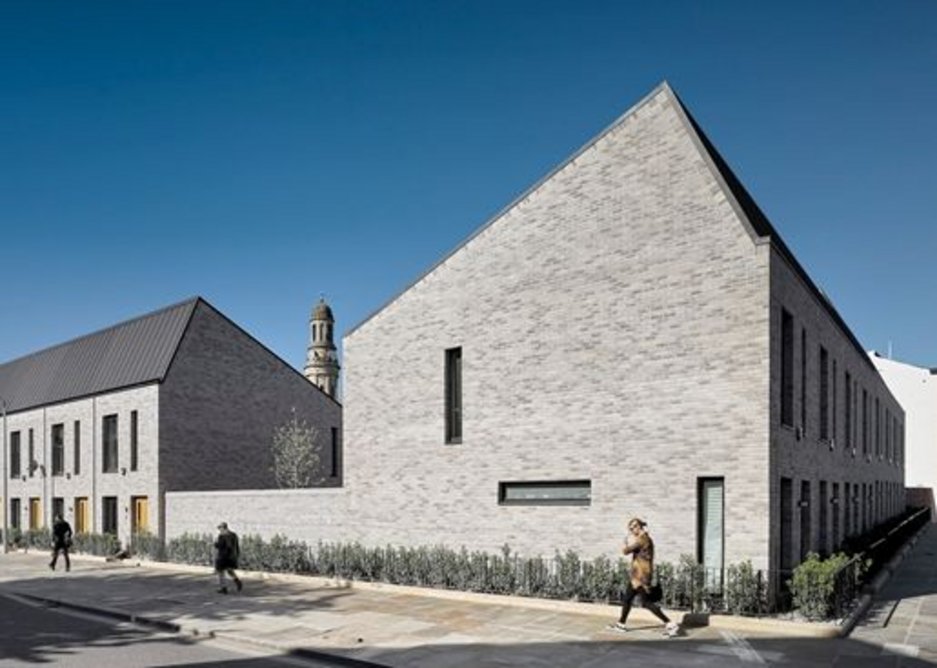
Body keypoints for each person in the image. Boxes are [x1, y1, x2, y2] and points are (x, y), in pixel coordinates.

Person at [609, 517, 680, 637]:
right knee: (627, 599)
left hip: (641, 576)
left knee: (646, 603)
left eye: (634, 527)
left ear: (640, 526)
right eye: (630, 528)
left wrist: (626, 542)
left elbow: (626, 551)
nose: (632, 530)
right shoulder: (642, 538)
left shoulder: (643, 539)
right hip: (636, 574)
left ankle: (670, 623)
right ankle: (621, 624)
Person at [214, 522, 242, 594]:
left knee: (220, 572)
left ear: (223, 528)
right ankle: (237, 581)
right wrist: (237, 555)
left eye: (220, 528)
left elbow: (220, 546)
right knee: (230, 570)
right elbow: (236, 546)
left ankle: (223, 588)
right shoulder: (234, 535)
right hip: (232, 557)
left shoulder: (222, 536)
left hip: (223, 557)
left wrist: (215, 544)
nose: (219, 530)